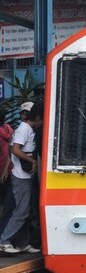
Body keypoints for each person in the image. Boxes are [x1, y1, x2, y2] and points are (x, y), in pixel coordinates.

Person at [0, 105, 43, 254]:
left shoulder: (27, 129)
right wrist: (32, 161)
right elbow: (15, 150)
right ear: (37, 118)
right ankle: (3, 241)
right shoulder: (23, 129)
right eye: (42, 120)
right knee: (21, 211)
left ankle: (22, 243)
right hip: (21, 177)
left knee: (25, 210)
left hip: (24, 176)